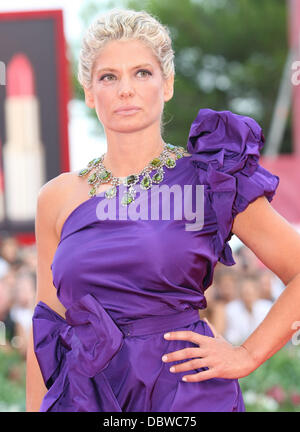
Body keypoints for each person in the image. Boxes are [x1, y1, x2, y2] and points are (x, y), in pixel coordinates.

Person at [26, 8, 300, 412]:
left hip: (184, 396)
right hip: (87, 399)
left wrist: (246, 355)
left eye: (142, 73)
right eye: (108, 76)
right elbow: (49, 326)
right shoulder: (56, 197)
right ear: (88, 91)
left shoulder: (211, 178)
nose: (126, 90)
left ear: (167, 84)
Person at [224, 275, 273, 345]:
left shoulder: (267, 307)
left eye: (250, 293)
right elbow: (231, 335)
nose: (248, 297)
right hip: (239, 347)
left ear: (256, 293)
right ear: (241, 294)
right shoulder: (231, 309)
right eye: (245, 293)